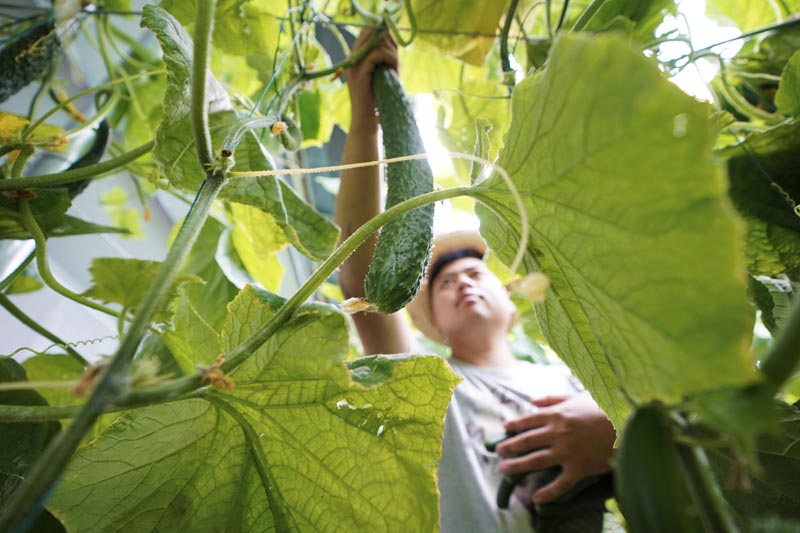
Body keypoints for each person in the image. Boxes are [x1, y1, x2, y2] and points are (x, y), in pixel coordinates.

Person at [334, 29, 617, 532]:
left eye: (475, 272)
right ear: (434, 326)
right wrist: (365, 124)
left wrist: (615, 434)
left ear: (511, 304)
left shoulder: (576, 382)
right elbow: (361, 281)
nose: (463, 282)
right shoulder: (431, 384)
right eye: (443, 284)